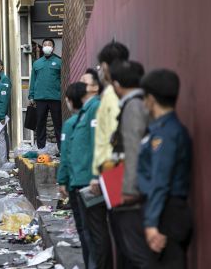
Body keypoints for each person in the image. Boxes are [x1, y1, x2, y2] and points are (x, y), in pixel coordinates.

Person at [138, 69, 192, 269]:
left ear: (151, 99)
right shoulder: (162, 130)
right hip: (164, 210)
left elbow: (160, 181)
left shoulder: (165, 134)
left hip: (167, 215)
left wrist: (152, 224)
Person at [107, 61, 151, 269]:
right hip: (123, 187)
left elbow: (133, 148)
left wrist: (128, 190)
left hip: (129, 195)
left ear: (116, 85)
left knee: (134, 253)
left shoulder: (133, 106)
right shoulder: (137, 103)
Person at [68, 70, 104, 269]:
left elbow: (96, 144)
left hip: (90, 181)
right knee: (85, 230)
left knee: (93, 231)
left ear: (95, 86)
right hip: (80, 180)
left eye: (85, 81)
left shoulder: (95, 108)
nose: (80, 84)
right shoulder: (84, 112)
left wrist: (95, 176)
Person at [57, 82, 90, 268]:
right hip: (92, 181)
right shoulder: (91, 119)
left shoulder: (70, 124)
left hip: (76, 182)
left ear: (69, 101)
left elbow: (66, 154)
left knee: (83, 227)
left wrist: (62, 180)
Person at [91, 42, 129, 178]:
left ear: (105, 66)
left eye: (100, 66)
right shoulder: (122, 91)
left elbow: (113, 133)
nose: (99, 70)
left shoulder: (112, 94)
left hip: (110, 169)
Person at [28, 38, 62, 149]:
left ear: (53, 48)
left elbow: (62, 80)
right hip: (40, 97)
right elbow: (33, 80)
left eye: (49, 45)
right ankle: (41, 148)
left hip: (55, 97)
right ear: (42, 48)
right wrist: (31, 95)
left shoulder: (59, 62)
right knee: (40, 124)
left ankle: (61, 149)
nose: (47, 46)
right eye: (45, 45)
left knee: (58, 124)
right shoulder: (36, 63)